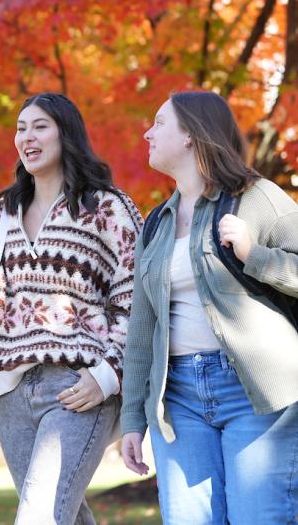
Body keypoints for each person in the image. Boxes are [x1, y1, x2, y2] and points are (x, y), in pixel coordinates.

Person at [0, 92, 142, 524]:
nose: (27, 137)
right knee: (66, 516)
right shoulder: (3, 211)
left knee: (38, 517)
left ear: (67, 134)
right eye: (21, 128)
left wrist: (107, 376)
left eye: (40, 126)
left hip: (77, 388)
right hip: (9, 391)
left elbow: (138, 303)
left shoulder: (107, 208)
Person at [120, 91, 298, 524]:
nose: (148, 132)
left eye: (160, 123)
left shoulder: (258, 197)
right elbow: (143, 328)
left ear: (191, 135)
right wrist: (131, 418)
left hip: (256, 392)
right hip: (177, 399)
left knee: (260, 517)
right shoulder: (155, 224)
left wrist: (255, 255)